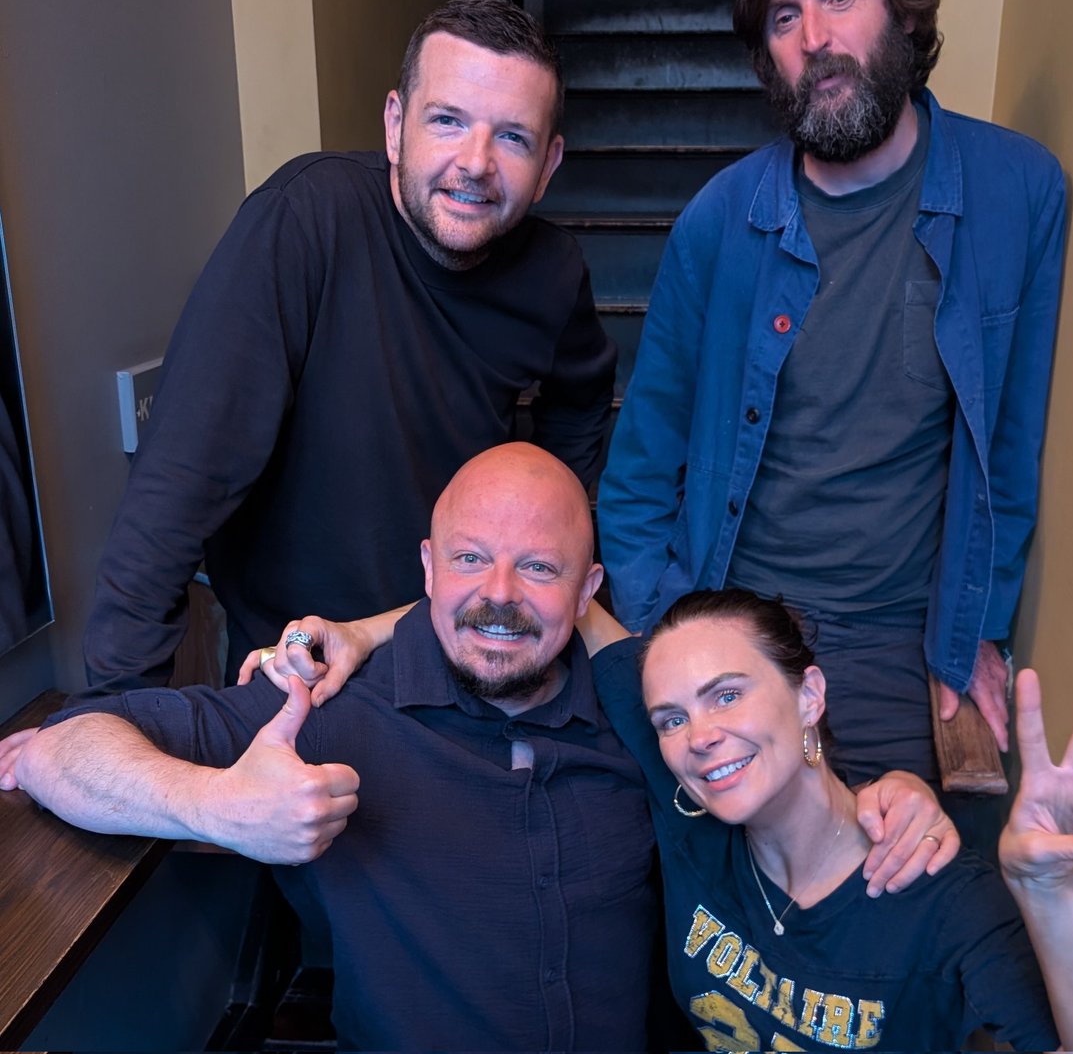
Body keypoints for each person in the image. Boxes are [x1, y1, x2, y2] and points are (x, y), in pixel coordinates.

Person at [0, 445, 951, 1051]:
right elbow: (58, 748)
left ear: (589, 592)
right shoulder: (326, 707)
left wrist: (889, 794)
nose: (498, 593)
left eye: (539, 567)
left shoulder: (641, 710)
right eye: (468, 558)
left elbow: (769, 763)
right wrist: (216, 809)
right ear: (426, 568)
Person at [596, 0, 1067, 787]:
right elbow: (641, 467)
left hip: (898, 645)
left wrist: (979, 624)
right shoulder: (718, 223)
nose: (814, 38)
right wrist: (665, 637)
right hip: (734, 626)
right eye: (784, 17)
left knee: (894, 862)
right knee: (712, 873)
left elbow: (1009, 446)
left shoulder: (1018, 192)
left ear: (903, 7)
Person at [83, 0, 616, 695]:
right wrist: (115, 710)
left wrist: (541, 528)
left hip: (459, 646)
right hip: (295, 658)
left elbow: (581, 403)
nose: (476, 162)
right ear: (395, 126)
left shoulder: (553, 274)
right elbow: (179, 486)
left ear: (549, 164)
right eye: (447, 120)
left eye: (513, 137)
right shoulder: (306, 223)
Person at [583, 588, 1073, 1051]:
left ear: (809, 696)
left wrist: (1048, 893)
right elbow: (579, 609)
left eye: (727, 695)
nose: (700, 736)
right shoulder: (688, 810)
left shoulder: (935, 890)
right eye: (671, 719)